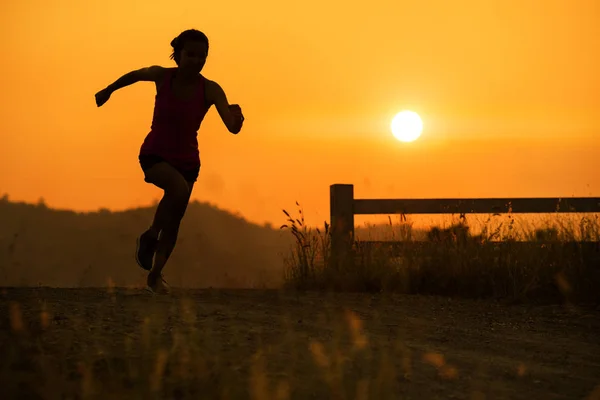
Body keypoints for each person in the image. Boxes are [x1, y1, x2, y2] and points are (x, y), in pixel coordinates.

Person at [94, 29, 244, 294]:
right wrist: (109, 90)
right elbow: (135, 75)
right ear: (178, 54)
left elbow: (231, 127)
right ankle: (150, 235)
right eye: (191, 55)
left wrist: (238, 118)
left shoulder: (210, 88)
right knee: (178, 190)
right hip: (155, 154)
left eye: (203, 56)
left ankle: (155, 275)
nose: (197, 61)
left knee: (175, 220)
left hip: (187, 161)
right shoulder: (162, 76)